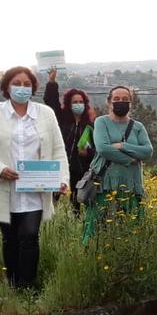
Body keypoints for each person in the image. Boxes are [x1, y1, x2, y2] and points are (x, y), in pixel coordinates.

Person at [0, 67, 68, 290]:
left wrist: (63, 178)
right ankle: (13, 283)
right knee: (10, 238)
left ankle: (27, 286)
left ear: (33, 87)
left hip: (36, 187)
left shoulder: (46, 114)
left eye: (26, 84)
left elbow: (59, 149)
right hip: (5, 188)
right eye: (17, 83)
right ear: (6, 86)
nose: (22, 88)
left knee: (30, 235)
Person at [82, 86, 154, 243]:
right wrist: (130, 159)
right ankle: (91, 262)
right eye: (116, 99)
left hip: (131, 186)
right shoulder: (102, 122)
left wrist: (122, 146)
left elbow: (148, 152)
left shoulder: (138, 127)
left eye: (125, 100)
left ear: (130, 102)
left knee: (133, 231)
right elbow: (103, 148)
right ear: (109, 102)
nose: (120, 102)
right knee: (96, 231)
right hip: (104, 185)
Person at [43, 67, 97, 214]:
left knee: (76, 201)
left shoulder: (90, 126)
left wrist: (87, 152)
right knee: (52, 199)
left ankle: (75, 223)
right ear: (69, 103)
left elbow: (96, 149)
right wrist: (52, 82)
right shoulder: (61, 119)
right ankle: (48, 225)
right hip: (58, 165)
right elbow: (51, 101)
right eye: (75, 102)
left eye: (80, 101)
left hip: (79, 168)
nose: (78, 104)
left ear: (85, 104)